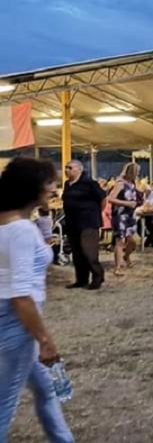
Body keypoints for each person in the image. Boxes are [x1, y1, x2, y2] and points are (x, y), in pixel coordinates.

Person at [0, 157, 74, 442]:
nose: (54, 188)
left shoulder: (10, 224)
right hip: (18, 324)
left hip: (14, 321)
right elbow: (21, 296)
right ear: (31, 187)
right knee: (4, 405)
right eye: (50, 182)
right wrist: (44, 339)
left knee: (46, 389)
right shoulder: (20, 230)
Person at [62, 159, 107, 288]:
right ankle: (81, 279)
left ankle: (98, 276)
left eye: (70, 168)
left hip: (88, 222)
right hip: (72, 222)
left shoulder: (89, 183)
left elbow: (103, 198)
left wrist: (95, 212)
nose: (67, 170)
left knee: (89, 251)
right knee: (77, 252)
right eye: (66, 168)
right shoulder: (67, 184)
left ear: (79, 169)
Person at [107, 163, 140, 277]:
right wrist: (127, 203)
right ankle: (118, 267)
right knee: (120, 241)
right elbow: (110, 199)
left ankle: (126, 256)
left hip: (130, 215)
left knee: (132, 241)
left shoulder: (132, 184)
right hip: (120, 215)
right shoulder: (120, 184)